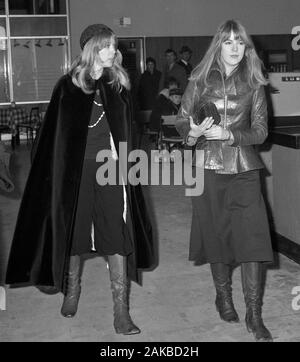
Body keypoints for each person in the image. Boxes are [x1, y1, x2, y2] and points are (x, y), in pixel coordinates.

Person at [5, 24, 154, 335]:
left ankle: (121, 310)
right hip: (74, 173)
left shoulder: (119, 87)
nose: (115, 51)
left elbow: (132, 132)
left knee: (116, 232)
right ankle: (72, 291)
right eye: (109, 46)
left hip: (111, 170)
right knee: (74, 232)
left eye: (115, 46)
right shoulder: (67, 87)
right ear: (92, 49)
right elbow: (51, 139)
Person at [176, 19, 273, 342]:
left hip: (244, 169)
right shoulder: (199, 80)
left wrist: (229, 134)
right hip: (206, 167)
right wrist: (193, 132)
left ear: (247, 48)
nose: (234, 48)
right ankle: (223, 296)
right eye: (228, 42)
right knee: (215, 235)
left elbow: (261, 131)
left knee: (253, 241)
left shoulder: (255, 84)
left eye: (240, 42)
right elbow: (181, 119)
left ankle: (254, 315)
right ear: (218, 45)